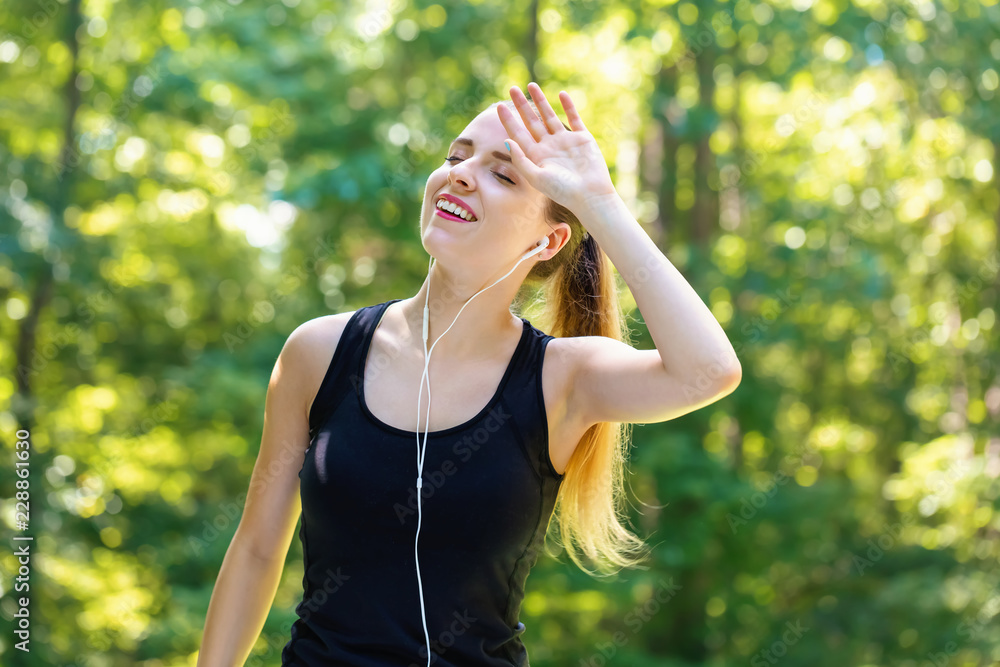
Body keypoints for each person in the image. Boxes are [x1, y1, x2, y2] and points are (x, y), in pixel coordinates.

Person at [197, 82, 742, 666]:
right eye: (457, 157)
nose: (459, 175)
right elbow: (256, 550)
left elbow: (708, 370)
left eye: (503, 175)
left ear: (549, 239)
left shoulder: (563, 378)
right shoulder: (318, 352)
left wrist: (599, 203)